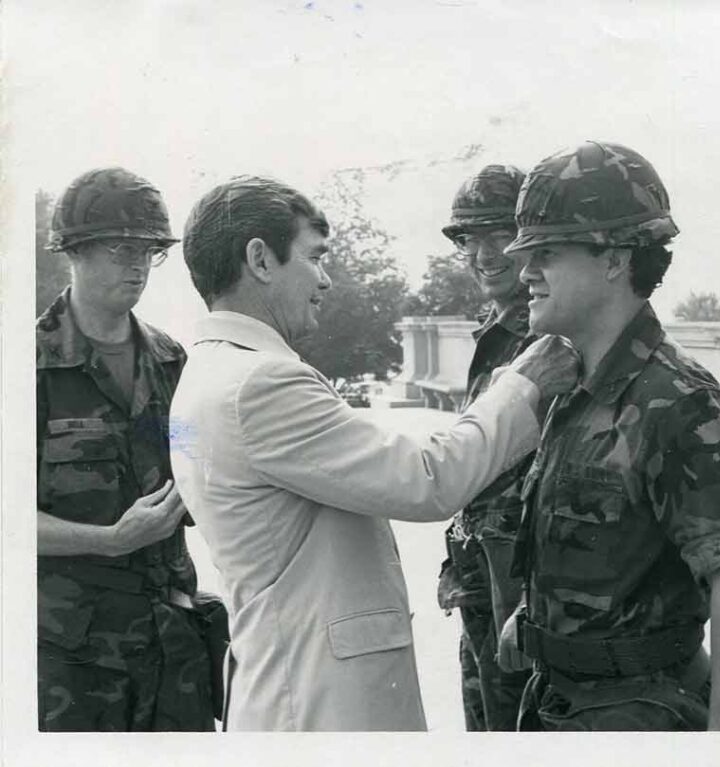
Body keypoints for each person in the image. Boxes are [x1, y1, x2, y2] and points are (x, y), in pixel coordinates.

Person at [169, 175, 580, 731]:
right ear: (260, 260)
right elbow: (425, 480)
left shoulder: (211, 373)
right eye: (314, 258)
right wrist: (522, 385)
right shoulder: (259, 383)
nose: (325, 278)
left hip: (294, 685)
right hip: (319, 702)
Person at [497, 141, 720, 731]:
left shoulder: (680, 403)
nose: (525, 274)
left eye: (546, 253)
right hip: (563, 701)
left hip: (640, 713)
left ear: (615, 259)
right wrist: (531, 613)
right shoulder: (573, 385)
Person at [37, 167, 217, 731]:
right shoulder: (28, 368)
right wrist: (111, 540)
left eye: (148, 251)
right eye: (120, 249)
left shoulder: (172, 360)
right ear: (75, 252)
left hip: (174, 648)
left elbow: (194, 468)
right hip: (72, 663)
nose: (138, 266)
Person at [436, 165, 534, 730]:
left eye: (499, 235)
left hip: (517, 588)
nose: (483, 254)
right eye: (469, 240)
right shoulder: (496, 329)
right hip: (480, 582)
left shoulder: (546, 336)